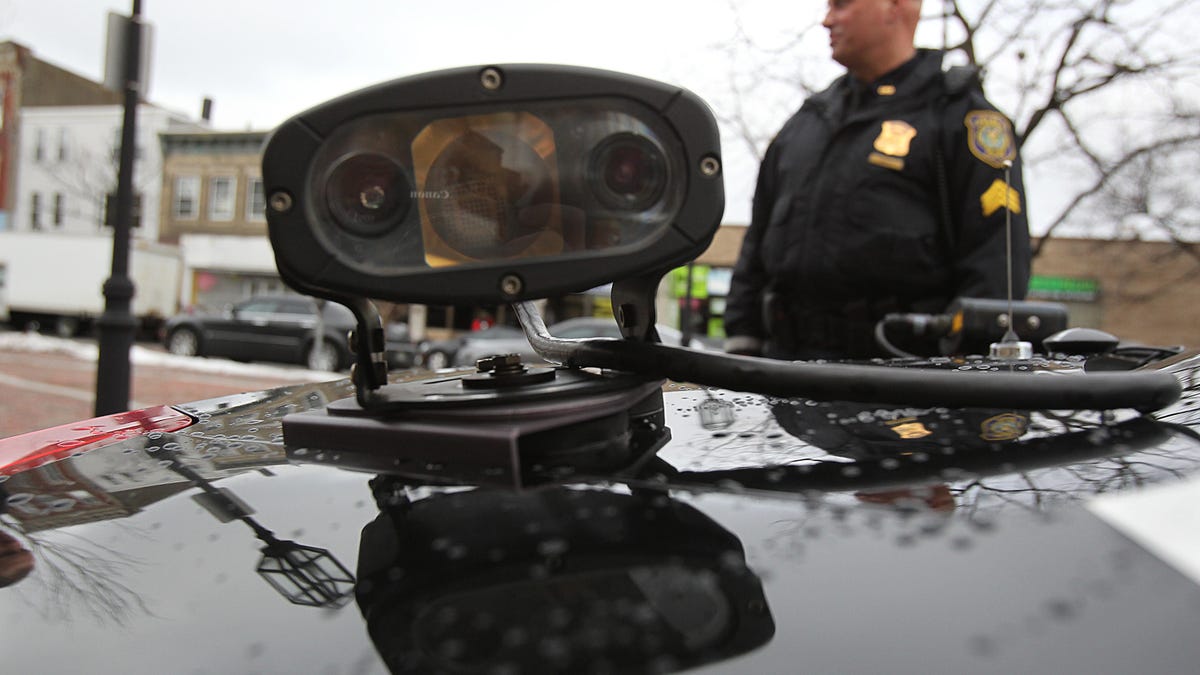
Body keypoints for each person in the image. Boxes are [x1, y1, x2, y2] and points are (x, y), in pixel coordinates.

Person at [724, 0, 1031, 360]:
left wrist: (963, 379)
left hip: (902, 382)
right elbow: (756, 246)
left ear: (896, 6)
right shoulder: (806, 123)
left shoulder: (958, 118)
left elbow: (995, 265)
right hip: (786, 376)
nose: (826, 20)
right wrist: (742, 345)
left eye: (841, 5)